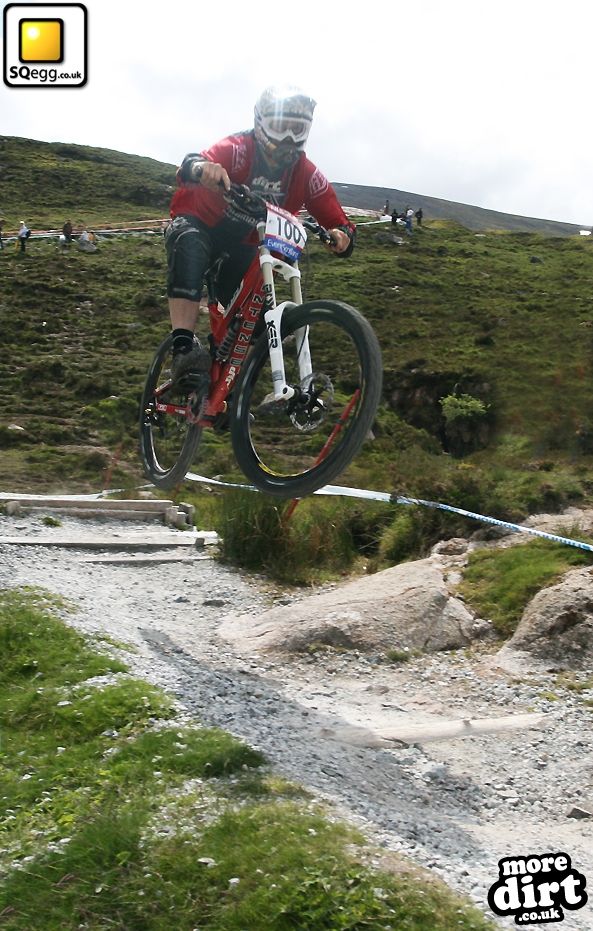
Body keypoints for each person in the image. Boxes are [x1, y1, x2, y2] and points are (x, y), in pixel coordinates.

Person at [165, 85, 356, 389]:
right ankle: (183, 349)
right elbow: (190, 164)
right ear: (261, 123)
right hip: (202, 223)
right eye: (281, 127)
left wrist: (341, 235)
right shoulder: (239, 149)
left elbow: (338, 220)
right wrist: (204, 169)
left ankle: (230, 393)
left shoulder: (306, 173)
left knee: (255, 319)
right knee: (189, 244)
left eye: (297, 129)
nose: (289, 137)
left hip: (244, 246)